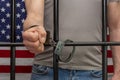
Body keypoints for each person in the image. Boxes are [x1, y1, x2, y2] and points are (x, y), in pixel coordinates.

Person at [22, 0, 120, 80]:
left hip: (92, 71)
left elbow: (116, 28)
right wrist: (34, 28)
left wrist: (118, 72)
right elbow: (34, 15)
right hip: (46, 69)